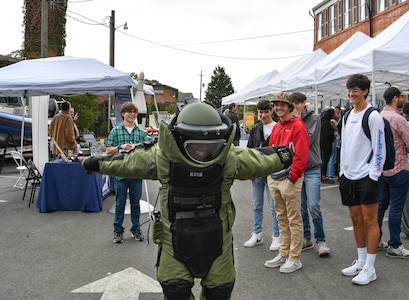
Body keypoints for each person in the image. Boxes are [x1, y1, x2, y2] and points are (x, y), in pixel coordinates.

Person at [82, 102, 292, 299]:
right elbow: (125, 162)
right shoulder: (163, 158)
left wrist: (284, 155)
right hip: (175, 241)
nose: (202, 150)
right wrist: (95, 163)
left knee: (219, 290)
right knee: (175, 289)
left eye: (208, 146)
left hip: (217, 241)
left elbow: (260, 159)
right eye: (196, 145)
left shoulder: (228, 159)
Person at [339, 74, 385, 285]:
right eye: (349, 90)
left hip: (367, 176)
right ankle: (361, 260)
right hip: (348, 176)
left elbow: (379, 149)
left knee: (370, 220)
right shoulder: (347, 116)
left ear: (365, 91)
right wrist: (342, 171)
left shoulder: (373, 116)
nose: (351, 94)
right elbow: (345, 146)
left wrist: (373, 175)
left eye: (355, 90)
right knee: (356, 220)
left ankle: (370, 268)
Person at [265, 92, 309, 274]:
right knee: (281, 218)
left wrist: (292, 177)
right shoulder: (277, 127)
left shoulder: (298, 126)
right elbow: (272, 151)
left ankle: (294, 257)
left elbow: (302, 155)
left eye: (282, 105)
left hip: (290, 179)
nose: (279, 108)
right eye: (276, 105)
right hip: (275, 178)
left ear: (290, 107)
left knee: (293, 219)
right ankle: (283, 253)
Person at [291, 92, 331, 256]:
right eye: (293, 105)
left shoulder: (313, 118)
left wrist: (298, 120)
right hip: (297, 168)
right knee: (301, 207)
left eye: (298, 104)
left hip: (313, 167)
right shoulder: (289, 120)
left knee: (314, 205)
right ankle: (306, 238)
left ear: (304, 103)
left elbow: (306, 140)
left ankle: (321, 240)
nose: (296, 108)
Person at [105, 102, 147, 244]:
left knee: (136, 204)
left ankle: (136, 229)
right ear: (123, 114)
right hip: (120, 173)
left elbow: (147, 152)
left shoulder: (141, 133)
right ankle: (118, 230)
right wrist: (120, 147)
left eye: (134, 112)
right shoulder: (115, 131)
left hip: (136, 173)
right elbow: (108, 150)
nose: (132, 114)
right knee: (120, 204)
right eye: (129, 112)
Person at [378, 86, 409, 257]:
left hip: (381, 169)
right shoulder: (398, 119)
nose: (403, 99)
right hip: (399, 167)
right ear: (396, 99)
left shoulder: (378, 117)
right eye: (402, 97)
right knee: (396, 208)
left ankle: (375, 240)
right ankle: (395, 245)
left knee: (381, 207)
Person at [244, 100, 280, 251]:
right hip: (258, 172)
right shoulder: (256, 128)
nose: (263, 115)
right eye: (260, 112)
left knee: (274, 206)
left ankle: (277, 235)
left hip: (273, 173)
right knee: (256, 205)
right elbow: (249, 150)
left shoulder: (278, 127)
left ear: (272, 111)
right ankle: (257, 233)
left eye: (266, 112)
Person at [320, 109, 335, 183]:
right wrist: (333, 129)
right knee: (325, 160)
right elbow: (328, 135)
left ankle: (322, 175)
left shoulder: (322, 121)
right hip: (326, 143)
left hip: (322, 143)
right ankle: (323, 176)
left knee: (323, 159)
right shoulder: (327, 124)